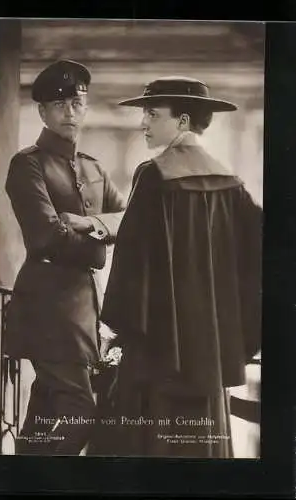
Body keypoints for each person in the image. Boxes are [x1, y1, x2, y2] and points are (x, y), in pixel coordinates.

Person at [100, 76, 262, 458]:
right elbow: (259, 260)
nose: (143, 123)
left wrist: (116, 329)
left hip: (158, 346)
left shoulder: (154, 175)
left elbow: (131, 256)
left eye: (152, 115)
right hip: (209, 349)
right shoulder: (231, 183)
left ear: (184, 121)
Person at [4, 59, 125, 455]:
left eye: (77, 102)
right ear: (42, 111)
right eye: (59, 105)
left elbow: (129, 221)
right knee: (81, 408)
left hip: (83, 308)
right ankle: (46, 481)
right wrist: (99, 234)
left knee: (45, 409)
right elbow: (44, 238)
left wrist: (83, 222)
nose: (70, 111)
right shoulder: (28, 165)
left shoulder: (95, 168)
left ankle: (21, 478)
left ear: (86, 107)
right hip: (47, 305)